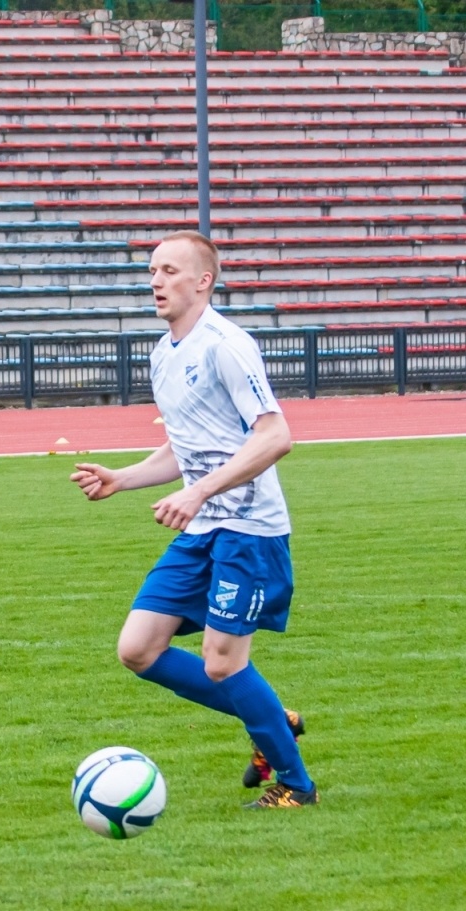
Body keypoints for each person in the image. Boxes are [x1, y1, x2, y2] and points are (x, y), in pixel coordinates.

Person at [69, 231, 316, 810]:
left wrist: (199, 493)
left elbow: (276, 435)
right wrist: (121, 478)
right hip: (203, 529)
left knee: (223, 661)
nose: (156, 280)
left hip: (249, 531)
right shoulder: (163, 352)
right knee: (137, 649)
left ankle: (296, 786)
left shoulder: (226, 345)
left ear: (203, 281)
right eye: (153, 270)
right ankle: (273, 718)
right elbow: (188, 447)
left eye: (170, 270)